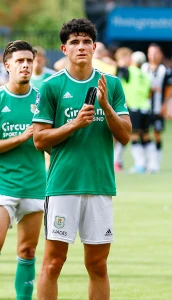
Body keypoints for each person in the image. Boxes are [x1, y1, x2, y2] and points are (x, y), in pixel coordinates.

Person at [32, 18, 131, 300]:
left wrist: (106, 108)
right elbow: (39, 140)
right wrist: (73, 125)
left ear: (94, 47)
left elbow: (125, 135)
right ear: (64, 49)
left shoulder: (111, 84)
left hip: (100, 185)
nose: (81, 46)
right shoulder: (51, 87)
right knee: (53, 263)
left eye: (86, 41)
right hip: (63, 185)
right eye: (74, 42)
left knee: (98, 265)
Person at [0, 40, 46, 299]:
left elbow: (50, 140)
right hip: (3, 185)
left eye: (29, 60)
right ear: (8, 66)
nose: (25, 65)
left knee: (27, 252)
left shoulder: (42, 100)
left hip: (35, 185)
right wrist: (20, 138)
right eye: (19, 61)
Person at [141, 43, 172, 172]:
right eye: (150, 53)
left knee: (157, 134)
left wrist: (165, 104)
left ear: (160, 55)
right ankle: (146, 161)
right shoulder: (143, 68)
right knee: (143, 133)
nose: (153, 55)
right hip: (143, 107)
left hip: (157, 108)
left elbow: (171, 87)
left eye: (155, 53)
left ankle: (156, 162)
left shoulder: (165, 70)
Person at [120, 51, 152, 173]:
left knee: (133, 136)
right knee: (145, 136)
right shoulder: (145, 75)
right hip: (145, 108)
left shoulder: (129, 71)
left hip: (134, 107)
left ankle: (140, 165)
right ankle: (152, 164)